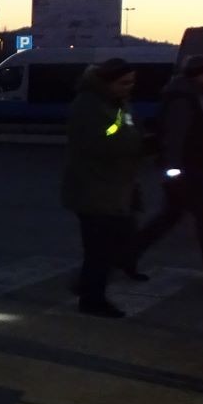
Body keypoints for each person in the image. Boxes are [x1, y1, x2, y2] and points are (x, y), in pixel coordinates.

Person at [131, 56, 203, 290]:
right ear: (201, 73)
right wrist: (174, 168)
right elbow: (176, 135)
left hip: (187, 168)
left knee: (168, 217)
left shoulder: (188, 93)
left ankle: (125, 256)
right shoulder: (184, 97)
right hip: (188, 169)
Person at [61, 58, 145, 318]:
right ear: (107, 82)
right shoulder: (89, 106)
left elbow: (117, 130)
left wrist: (132, 140)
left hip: (113, 186)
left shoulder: (115, 104)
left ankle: (88, 287)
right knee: (100, 249)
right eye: (123, 83)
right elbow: (100, 141)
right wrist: (135, 144)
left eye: (131, 82)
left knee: (115, 243)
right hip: (94, 187)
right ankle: (92, 298)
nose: (129, 87)